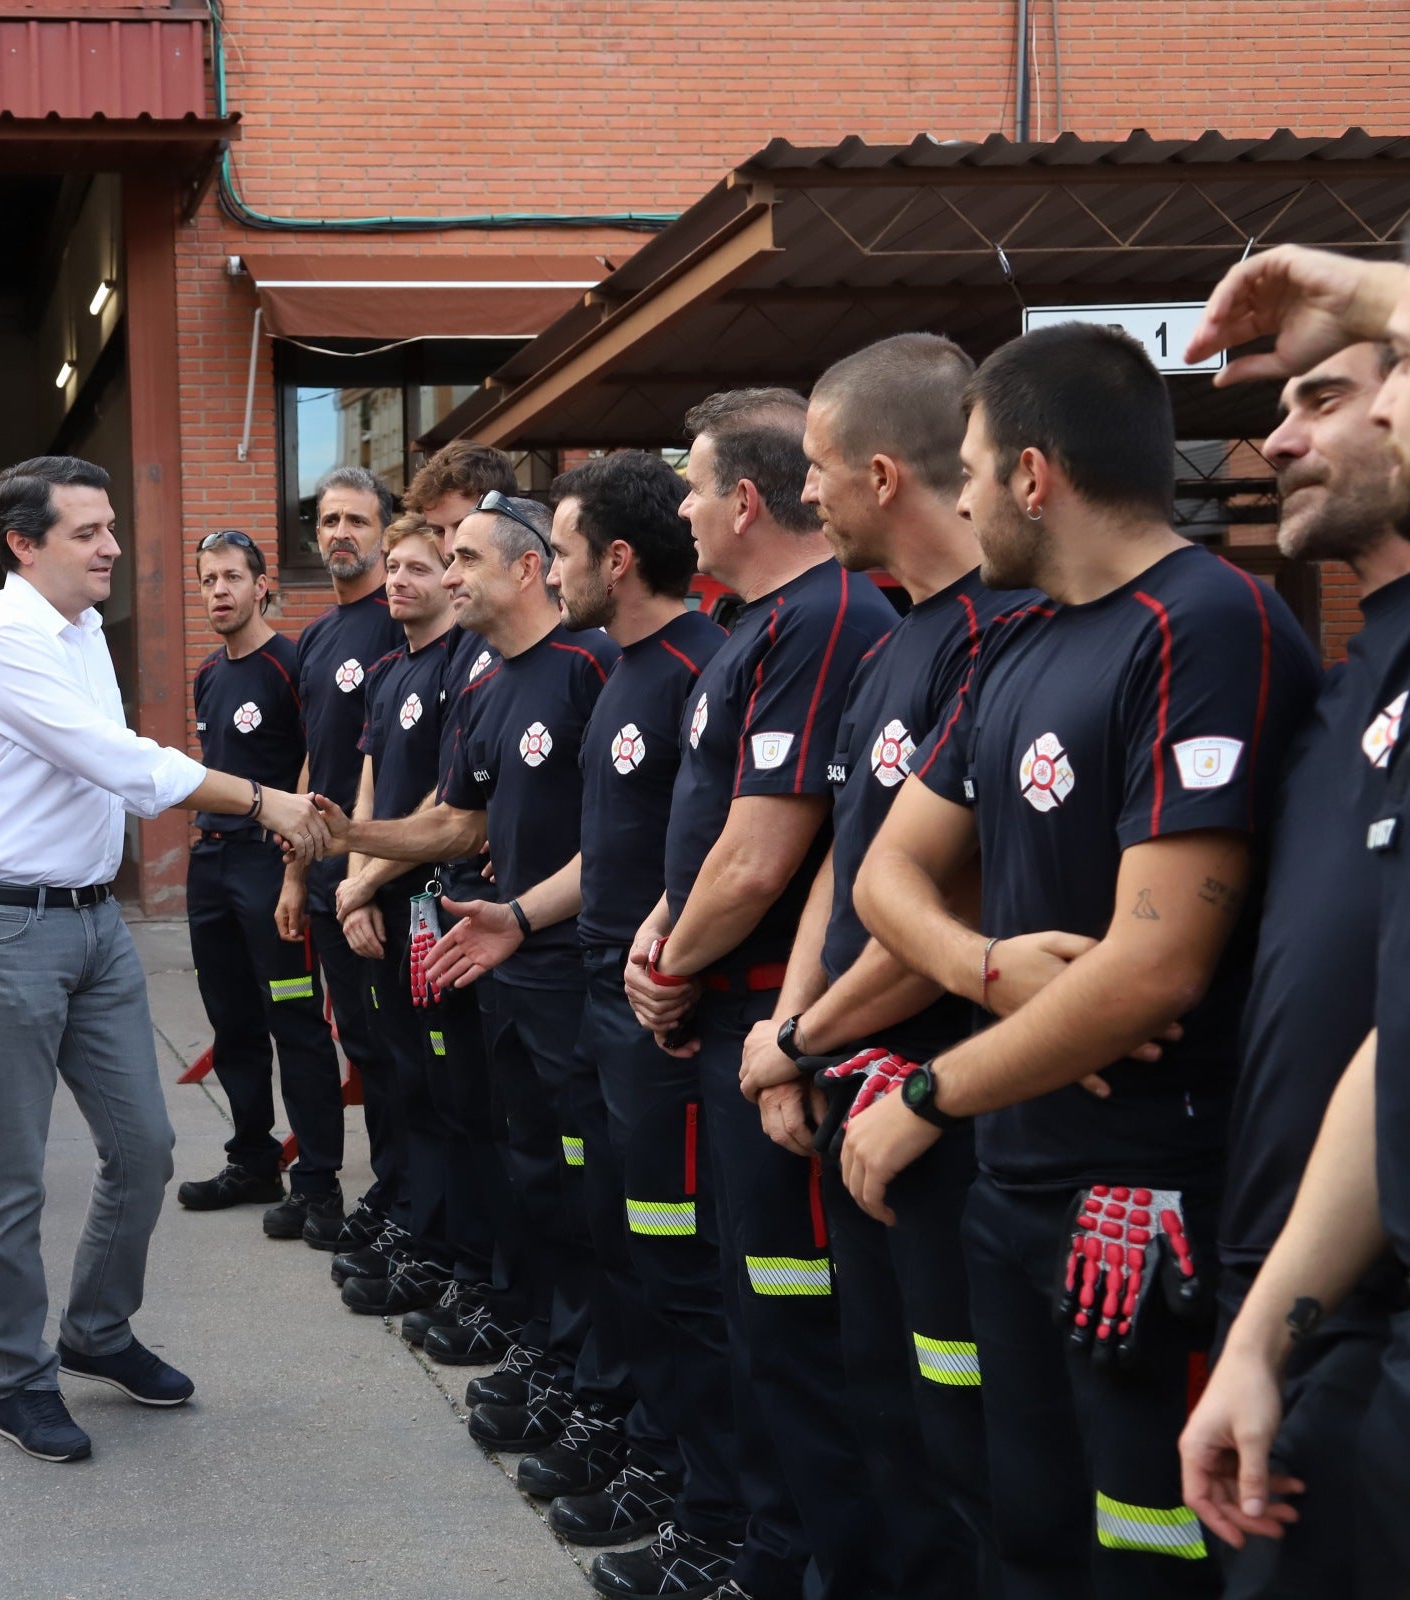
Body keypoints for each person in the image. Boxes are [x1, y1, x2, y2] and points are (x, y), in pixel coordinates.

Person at [853, 322, 1319, 1599]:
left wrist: (928, 1093)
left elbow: (1158, 969)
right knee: (1031, 1534)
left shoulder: (1206, 624)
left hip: (1149, 1204)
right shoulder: (1016, 639)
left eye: (971, 463)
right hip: (1016, 1182)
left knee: (1152, 1558)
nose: (956, 493)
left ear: (1034, 475)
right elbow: (886, 879)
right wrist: (991, 965)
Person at [0, 455, 329, 1467]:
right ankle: (20, 1383)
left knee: (145, 1146)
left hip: (92, 924)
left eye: (112, 526)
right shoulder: (6, 638)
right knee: (10, 1176)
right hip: (2, 928)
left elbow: (113, 753)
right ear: (25, 544)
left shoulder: (81, 630)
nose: (114, 546)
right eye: (88, 532)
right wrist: (262, 797)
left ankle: (97, 1329)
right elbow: (117, 760)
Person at [736, 334, 1029, 1599]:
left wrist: (801, 1040)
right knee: (884, 1404)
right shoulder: (894, 642)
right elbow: (847, 872)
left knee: (966, 1437)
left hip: (947, 1112)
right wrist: (795, 1032)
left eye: (815, 469)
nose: (805, 496)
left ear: (881, 473)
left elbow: (942, 911)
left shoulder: (996, 639)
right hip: (854, 1093)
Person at [418, 452, 736, 1558]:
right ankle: (642, 1439)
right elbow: (607, 857)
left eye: (556, 550)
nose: (550, 572)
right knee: (611, 1234)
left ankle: (704, 1492)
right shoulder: (627, 667)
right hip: (597, 991)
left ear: (613, 557)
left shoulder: (701, 663)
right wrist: (518, 912)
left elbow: (729, 855)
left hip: (662, 1012)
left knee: (676, 1263)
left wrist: (667, 945)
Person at [620, 388, 893, 1600]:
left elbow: (766, 854)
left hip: (777, 1030)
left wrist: (672, 971)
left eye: (690, 484)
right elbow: (713, 840)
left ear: (742, 499)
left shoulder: (827, 615)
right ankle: (773, 1554)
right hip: (727, 1014)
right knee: (753, 1320)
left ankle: (801, 1565)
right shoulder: (759, 626)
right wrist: (663, 934)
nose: (680, 505)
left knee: (794, 1335)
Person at [1175, 240, 1410, 1585]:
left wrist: (1368, 287)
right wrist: (1265, 1329)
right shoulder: (1346, 686)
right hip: (1315, 1298)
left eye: (1330, 396)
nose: (1282, 439)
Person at [310, 495, 621, 1477]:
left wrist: (528, 917)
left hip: (581, 984)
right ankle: (552, 1347)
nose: (446, 577)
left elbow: (621, 843)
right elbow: (459, 825)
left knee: (589, 1198)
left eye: (465, 559)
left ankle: (597, 1384)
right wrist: (350, 840)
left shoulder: (592, 667)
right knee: (530, 1174)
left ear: (530, 568)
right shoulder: (489, 693)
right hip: (502, 976)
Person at [327, 512, 491, 1326]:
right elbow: (369, 785)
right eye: (393, 567)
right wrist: (358, 884)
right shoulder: (389, 669)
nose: (400, 580)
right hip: (379, 899)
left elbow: (448, 804)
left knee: (442, 1091)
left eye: (421, 567)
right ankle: (412, 1228)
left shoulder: (466, 666)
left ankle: (445, 1250)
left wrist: (366, 882)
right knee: (395, 1080)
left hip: (430, 902)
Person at [173, 532, 343, 1226]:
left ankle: (319, 1182)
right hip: (211, 865)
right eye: (208, 579)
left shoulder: (291, 665)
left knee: (294, 1020)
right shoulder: (210, 674)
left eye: (232, 577)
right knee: (232, 1021)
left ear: (262, 584)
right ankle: (252, 1160)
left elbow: (316, 765)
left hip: (270, 866)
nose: (219, 591)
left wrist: (297, 868)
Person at [274, 465, 404, 1246]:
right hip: (321, 874)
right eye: (329, 522)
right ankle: (371, 1196)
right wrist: (296, 870)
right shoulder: (317, 636)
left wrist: (360, 881)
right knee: (348, 1038)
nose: (342, 534)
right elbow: (315, 760)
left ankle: (396, 1204)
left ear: (384, 530)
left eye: (357, 520)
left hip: (378, 875)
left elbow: (387, 767)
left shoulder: (399, 621)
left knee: (385, 1052)